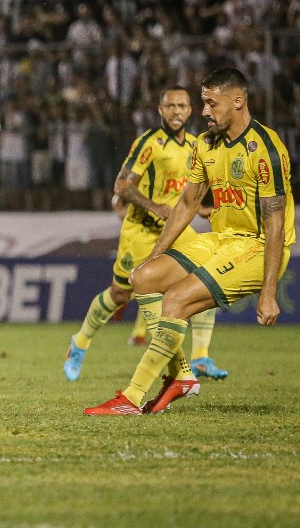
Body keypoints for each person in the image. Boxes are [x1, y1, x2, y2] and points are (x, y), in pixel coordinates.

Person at [86, 67, 294, 415]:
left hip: (256, 246)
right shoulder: (206, 144)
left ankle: (133, 398)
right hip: (220, 240)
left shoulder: (266, 150)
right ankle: (181, 376)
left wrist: (269, 293)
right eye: (203, 103)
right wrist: (154, 256)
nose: (204, 112)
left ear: (237, 101)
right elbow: (186, 203)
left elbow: (274, 224)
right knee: (143, 277)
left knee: (177, 301)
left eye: (212, 103)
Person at [63, 87, 225, 381]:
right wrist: (153, 206)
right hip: (140, 230)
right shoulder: (149, 143)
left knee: (205, 279)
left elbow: (185, 189)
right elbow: (122, 186)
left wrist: (200, 208)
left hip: (175, 228)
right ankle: (80, 343)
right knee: (120, 294)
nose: (176, 111)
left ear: (190, 111)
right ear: (160, 110)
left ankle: (200, 357)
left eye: (182, 106)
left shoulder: (194, 145)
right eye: (170, 106)